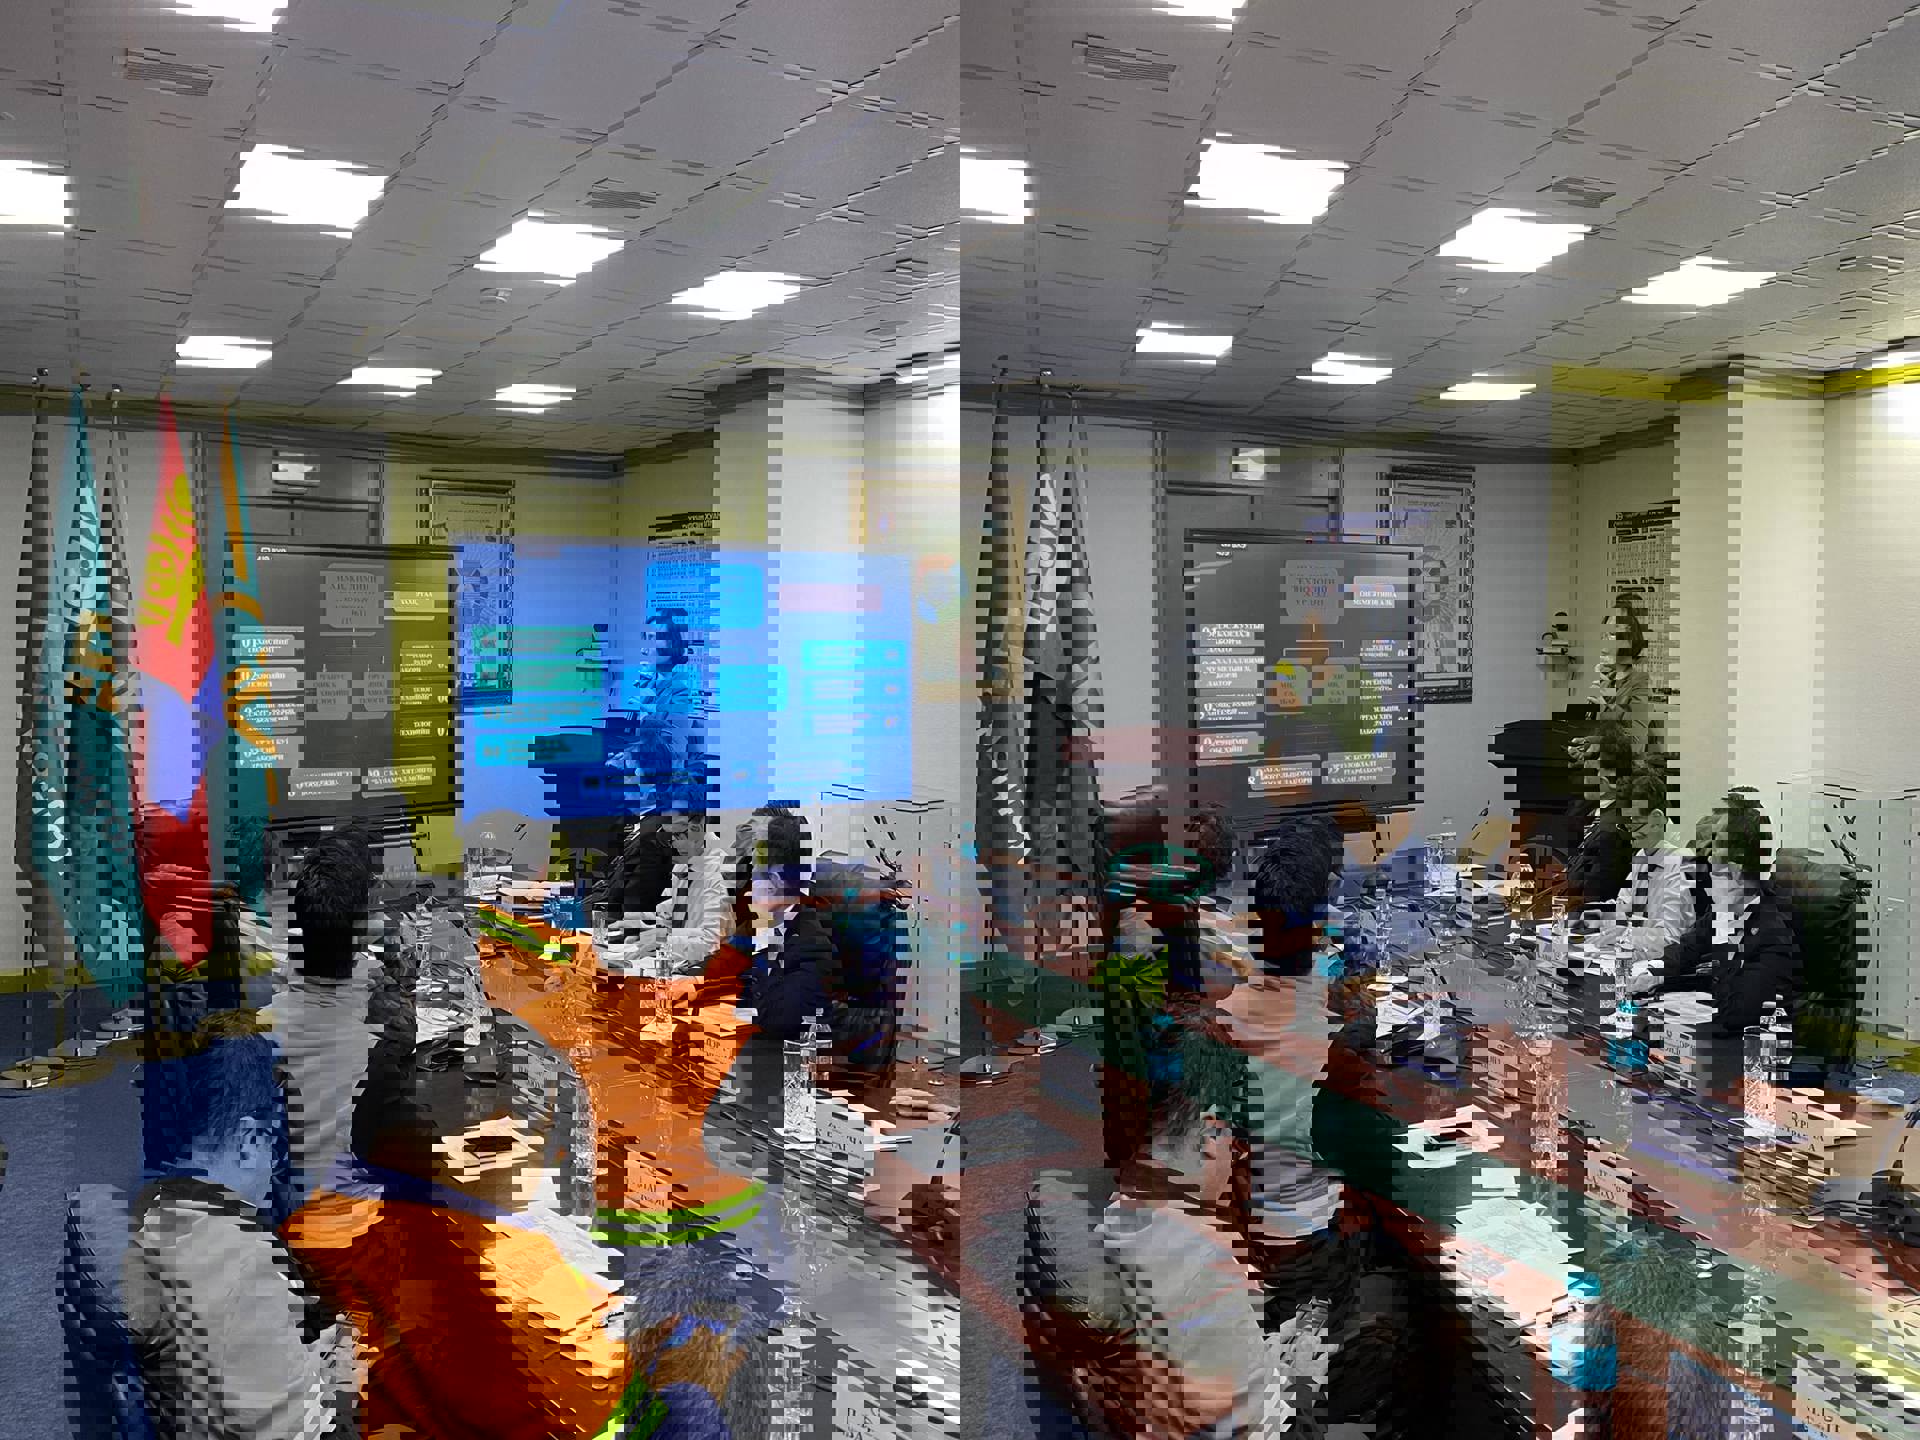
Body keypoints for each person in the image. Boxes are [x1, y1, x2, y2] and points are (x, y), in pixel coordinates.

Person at [125, 1017, 355, 1439]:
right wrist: (344, 1368)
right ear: (250, 1141)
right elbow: (288, 1431)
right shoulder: (239, 1263)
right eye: (273, 1146)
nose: (275, 1164)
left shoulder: (152, 1206)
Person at [266, 826, 392, 1201]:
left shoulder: (265, 1031)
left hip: (289, 1206)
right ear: (366, 928)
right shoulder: (384, 1035)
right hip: (362, 1212)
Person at [1642, 790, 1802, 1036]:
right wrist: (1654, 972)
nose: (1708, 855)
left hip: (1750, 1047)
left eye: (1715, 868)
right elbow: (1687, 947)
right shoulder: (1725, 908)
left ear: (1734, 870)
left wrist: (1688, 1003)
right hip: (1716, 1031)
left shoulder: (1774, 931)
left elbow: (1742, 1013)